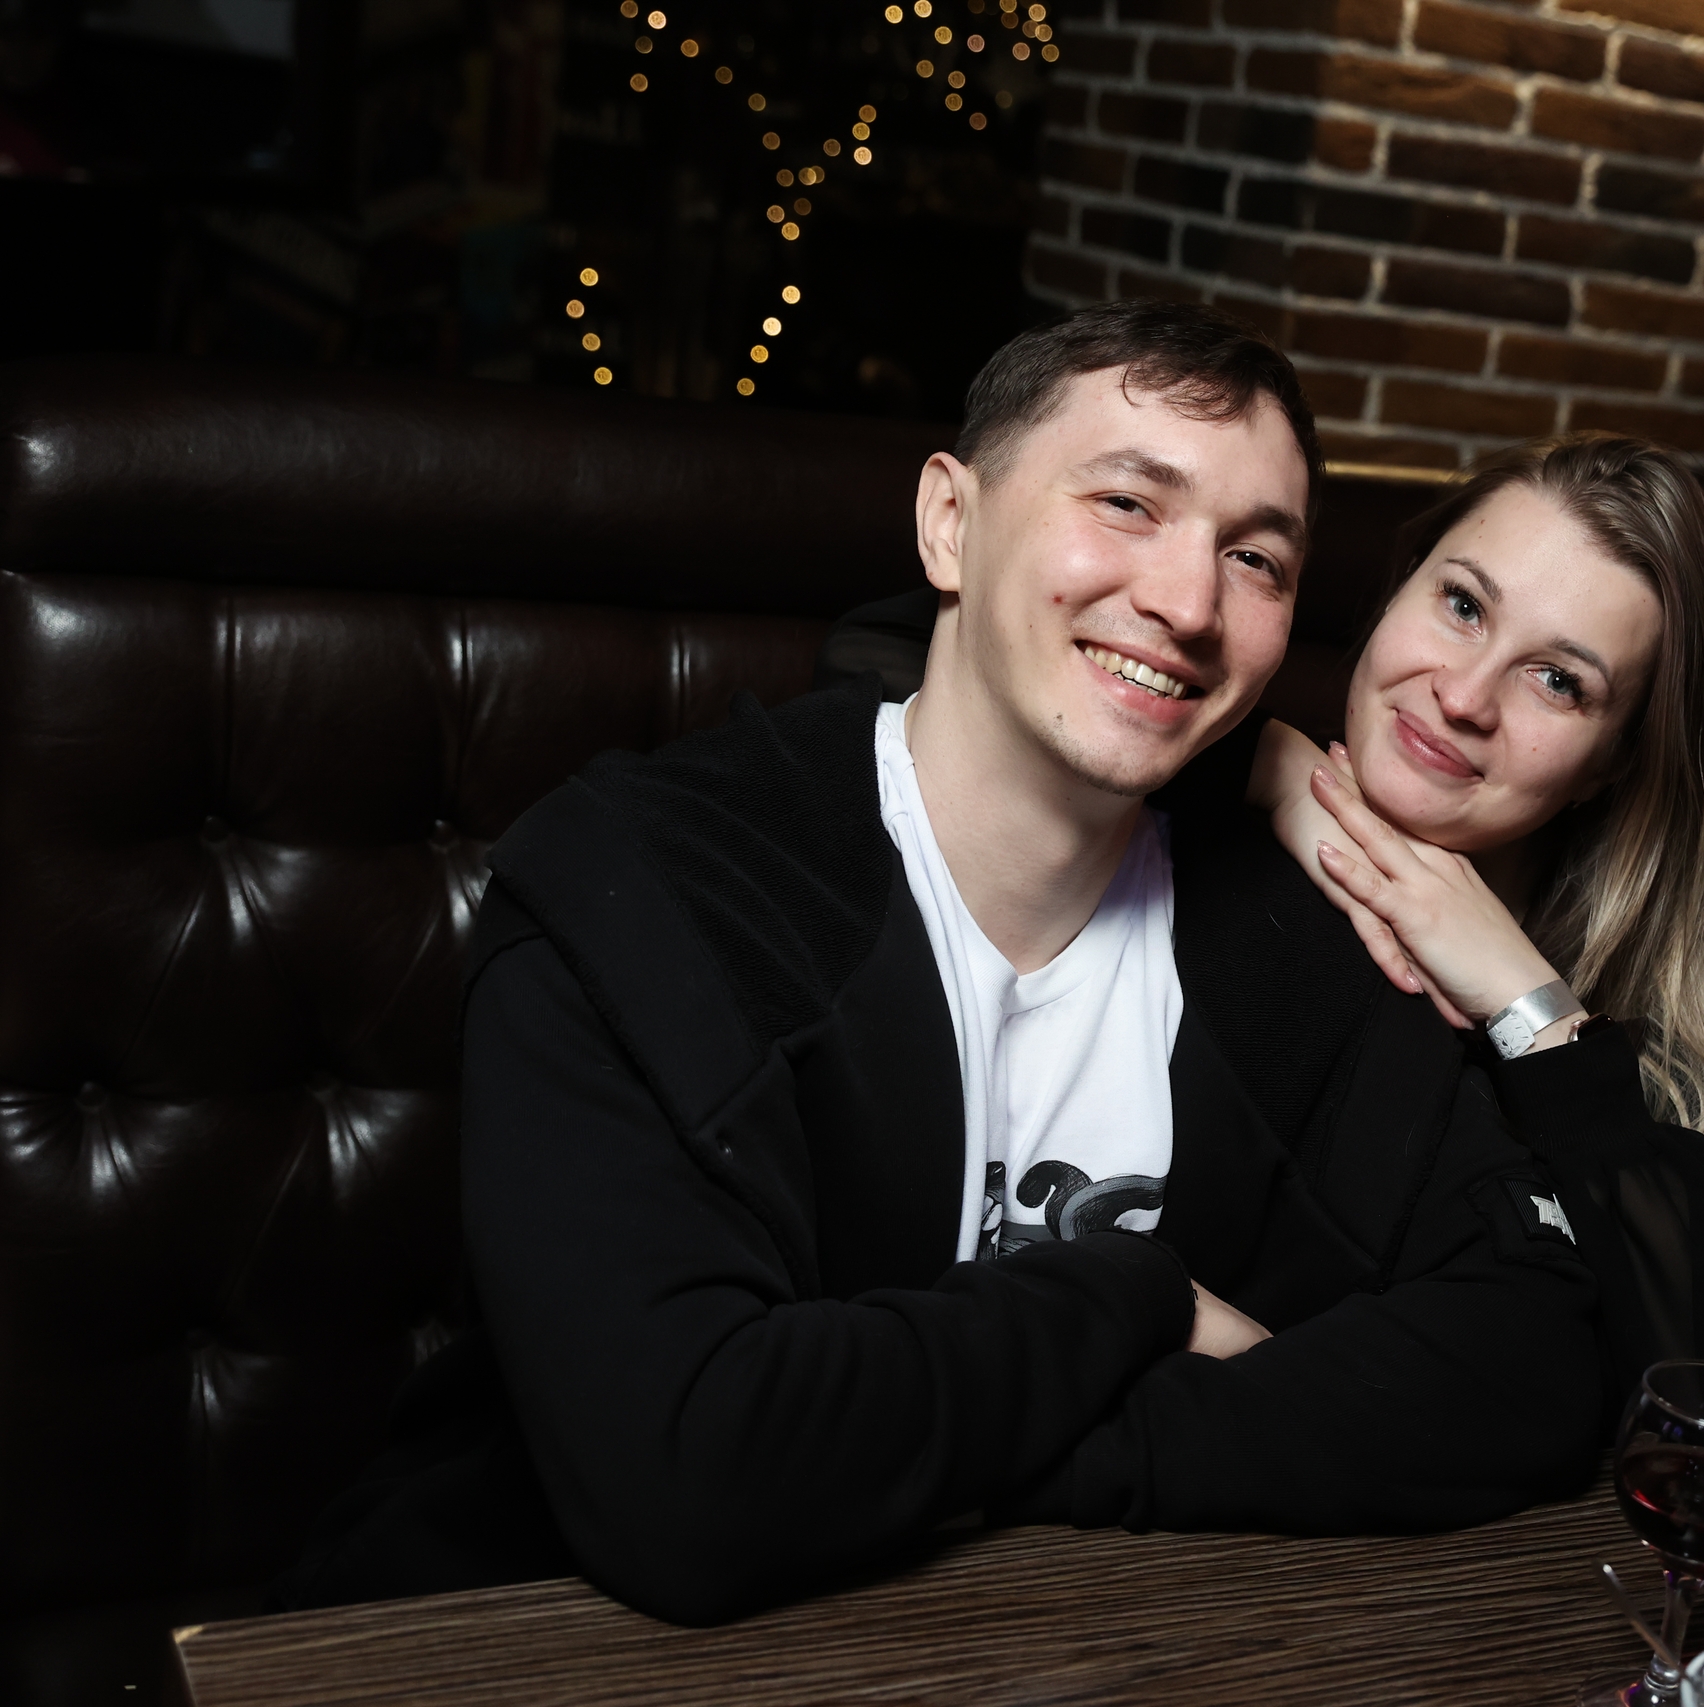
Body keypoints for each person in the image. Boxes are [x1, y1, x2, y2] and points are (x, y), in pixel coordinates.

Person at [273, 302, 1606, 1625]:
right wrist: (1131, 1295)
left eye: (1255, 558)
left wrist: (1016, 1464)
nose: (1188, 601)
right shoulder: (653, 883)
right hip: (511, 1643)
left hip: (1062, 1645)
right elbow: (689, 1477)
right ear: (949, 523)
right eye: (1127, 503)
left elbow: (1553, 1348)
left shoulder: (1302, 933)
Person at [1243, 434, 1704, 1405]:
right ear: (1399, 589)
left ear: (1612, 763)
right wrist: (1250, 759)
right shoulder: (1189, 839)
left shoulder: (1661, 1040)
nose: (1462, 696)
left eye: (1559, 680)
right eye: (1462, 605)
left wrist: (1527, 1002)